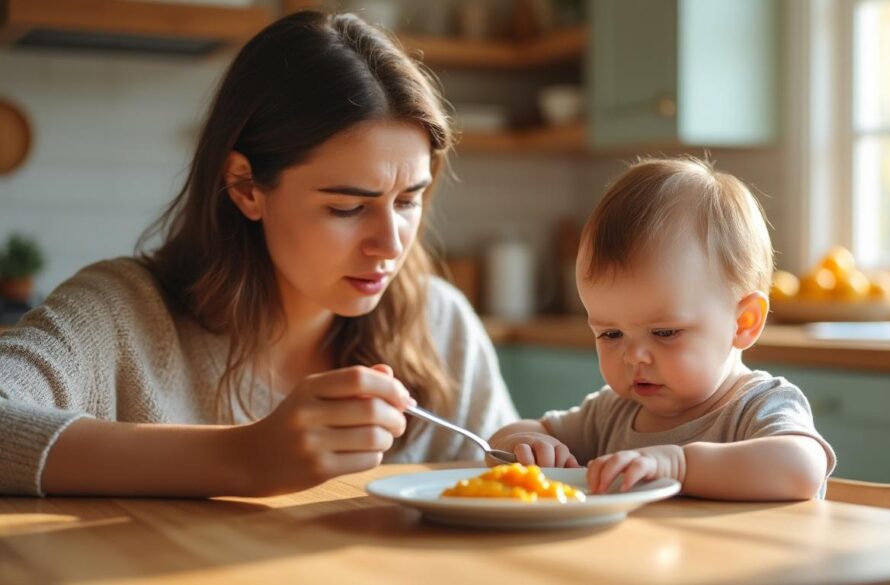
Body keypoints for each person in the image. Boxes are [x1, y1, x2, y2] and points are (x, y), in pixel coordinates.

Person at [0, 10, 518, 498]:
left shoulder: (438, 321)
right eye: (346, 208)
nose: (391, 243)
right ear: (246, 187)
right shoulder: (120, 315)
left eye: (407, 201)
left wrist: (532, 445)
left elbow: (507, 479)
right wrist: (242, 456)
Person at [490, 157, 836, 499]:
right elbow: (509, 437)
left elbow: (803, 468)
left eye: (664, 332)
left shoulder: (756, 406)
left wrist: (680, 465)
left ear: (744, 322)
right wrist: (524, 443)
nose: (633, 356)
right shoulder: (612, 413)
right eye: (611, 334)